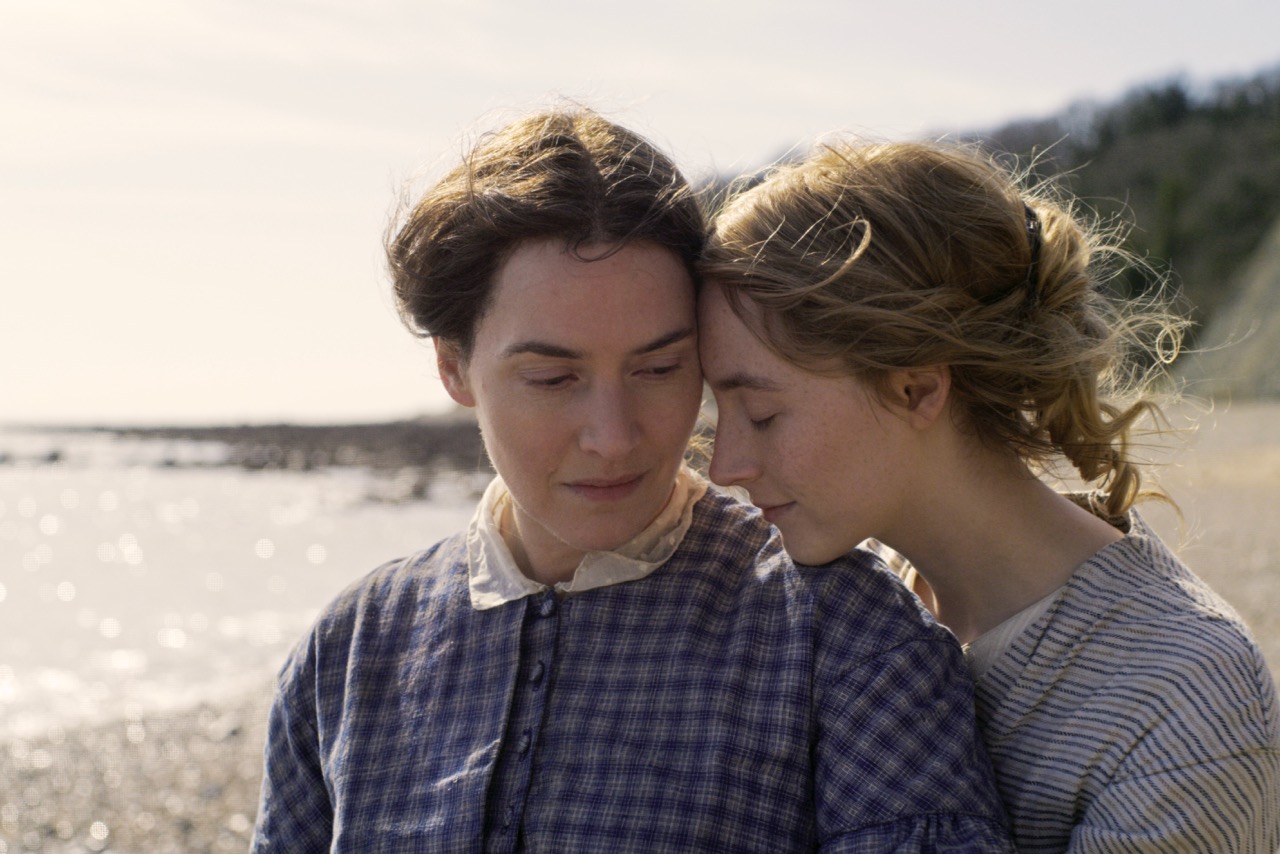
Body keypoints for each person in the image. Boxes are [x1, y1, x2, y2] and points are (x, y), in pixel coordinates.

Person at [250, 109, 1015, 851]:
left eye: (659, 368)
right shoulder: (350, 651)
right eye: (553, 379)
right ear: (454, 366)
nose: (614, 438)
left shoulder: (845, 637)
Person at [698, 138, 1280, 852]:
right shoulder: (850, 601)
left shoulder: (1182, 701)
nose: (724, 465)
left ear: (915, 389)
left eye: (761, 414)